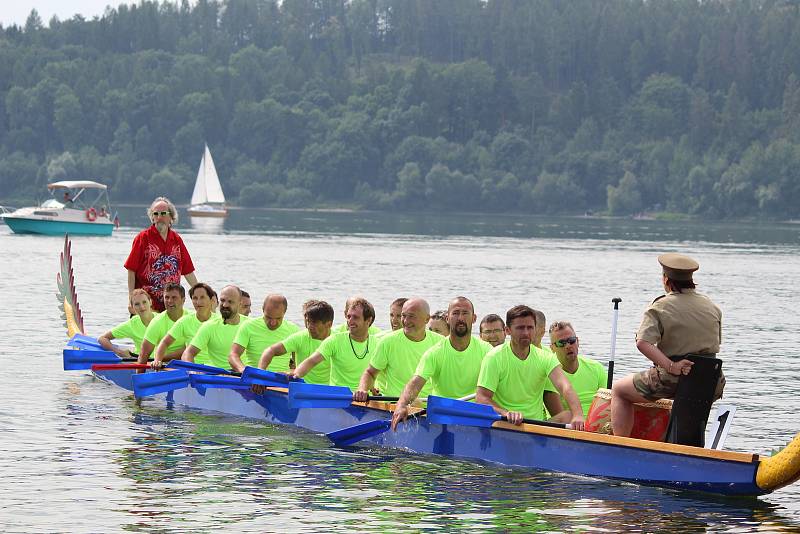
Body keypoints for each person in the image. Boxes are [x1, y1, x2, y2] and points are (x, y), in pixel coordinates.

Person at [611, 253, 723, 437]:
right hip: (711, 380)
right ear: (691, 280)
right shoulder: (711, 306)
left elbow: (643, 343)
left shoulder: (660, 306)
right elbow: (714, 344)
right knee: (691, 399)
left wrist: (672, 366)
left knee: (619, 390)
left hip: (676, 378)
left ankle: (621, 446)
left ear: (666, 279)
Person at [477, 305, 585, 429]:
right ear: (508, 330)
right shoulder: (494, 357)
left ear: (535, 329)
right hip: (507, 423)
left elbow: (565, 387)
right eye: (520, 328)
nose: (526, 333)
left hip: (536, 425)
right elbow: (482, 397)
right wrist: (505, 413)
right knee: (498, 424)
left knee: (569, 415)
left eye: (530, 328)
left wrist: (578, 415)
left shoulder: (546, 357)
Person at [391, 296, 491, 430]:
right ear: (448, 319)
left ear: (473, 318)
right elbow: (415, 382)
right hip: (442, 417)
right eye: (455, 313)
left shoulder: (487, 351)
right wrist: (402, 405)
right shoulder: (435, 353)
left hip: (474, 416)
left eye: (465, 313)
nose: (460, 318)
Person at [354, 298, 443, 402]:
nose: (406, 321)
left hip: (427, 407)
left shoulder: (440, 342)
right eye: (404, 316)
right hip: (394, 406)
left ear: (427, 319)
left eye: (411, 316)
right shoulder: (388, 341)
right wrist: (362, 389)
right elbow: (370, 373)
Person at [124, 197, 198, 312]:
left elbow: (188, 272)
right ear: (152, 217)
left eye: (163, 213)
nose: (159, 217)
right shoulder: (143, 238)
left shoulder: (177, 240)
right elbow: (131, 270)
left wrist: (201, 293)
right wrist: (130, 298)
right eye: (156, 214)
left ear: (171, 217)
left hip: (172, 306)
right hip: (147, 308)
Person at [289, 297, 378, 390]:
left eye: (355, 317)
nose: (350, 321)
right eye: (348, 317)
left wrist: (373, 388)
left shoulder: (377, 343)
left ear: (368, 320)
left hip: (365, 397)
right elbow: (312, 361)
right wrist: (296, 374)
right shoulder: (334, 340)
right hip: (339, 396)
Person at [259, 300, 334, 385]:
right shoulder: (300, 337)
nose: (309, 327)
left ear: (329, 324)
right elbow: (270, 350)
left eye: (314, 323)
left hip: (329, 389)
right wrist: (260, 375)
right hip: (302, 387)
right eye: (308, 321)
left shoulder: (337, 340)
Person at [543, 321, 607, 419]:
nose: (568, 346)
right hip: (565, 425)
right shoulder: (550, 374)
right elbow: (560, 415)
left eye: (571, 340)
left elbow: (607, 404)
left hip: (594, 425)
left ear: (578, 342)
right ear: (552, 348)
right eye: (561, 343)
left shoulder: (596, 368)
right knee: (567, 416)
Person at [228, 294, 300, 373]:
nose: (273, 323)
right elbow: (233, 355)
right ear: (263, 310)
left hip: (281, 381)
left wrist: (290, 373)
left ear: (285, 312)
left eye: (278, 318)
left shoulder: (294, 330)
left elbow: (300, 364)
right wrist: (243, 370)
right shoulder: (248, 326)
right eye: (268, 317)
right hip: (254, 379)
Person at [152, 283, 216, 369]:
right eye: (195, 298)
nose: (198, 302)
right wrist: (157, 360)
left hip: (216, 368)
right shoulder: (184, 321)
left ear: (212, 300)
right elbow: (164, 343)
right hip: (193, 367)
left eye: (202, 297)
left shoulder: (220, 321)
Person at [182, 285, 243, 369]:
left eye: (230, 302)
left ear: (240, 303)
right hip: (216, 376)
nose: (225, 305)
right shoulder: (209, 326)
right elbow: (188, 353)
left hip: (243, 375)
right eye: (222, 300)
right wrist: (192, 371)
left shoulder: (249, 324)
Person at [137, 283, 188, 366]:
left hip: (189, 363)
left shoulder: (192, 318)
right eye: (166, 297)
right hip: (165, 366)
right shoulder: (157, 322)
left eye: (174, 297)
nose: (169, 301)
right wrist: (139, 377)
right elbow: (143, 355)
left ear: (183, 300)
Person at [98, 289, 155, 359]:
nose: (142, 307)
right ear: (132, 307)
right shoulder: (131, 324)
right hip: (141, 362)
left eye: (144, 302)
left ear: (150, 302)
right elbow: (102, 338)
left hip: (166, 362)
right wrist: (118, 352)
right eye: (137, 304)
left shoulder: (162, 318)